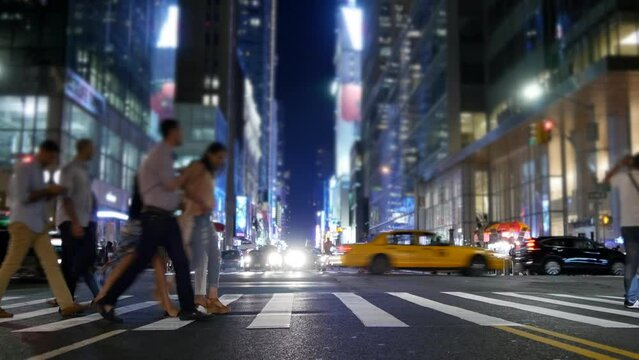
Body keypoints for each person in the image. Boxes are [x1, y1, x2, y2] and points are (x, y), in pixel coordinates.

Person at [96, 119, 202, 322]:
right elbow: (171, 185)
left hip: (165, 218)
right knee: (140, 263)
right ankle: (107, 300)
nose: (182, 135)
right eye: (180, 131)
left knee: (179, 261)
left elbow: (168, 189)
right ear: (172, 132)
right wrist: (189, 172)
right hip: (155, 218)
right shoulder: (161, 154)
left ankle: (188, 307)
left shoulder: (164, 155)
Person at [0, 140, 87, 318]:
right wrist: (49, 190)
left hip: (38, 226)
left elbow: (38, 198)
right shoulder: (24, 168)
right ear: (45, 152)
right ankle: (67, 303)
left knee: (52, 265)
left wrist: (52, 192)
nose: (52, 161)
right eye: (52, 157)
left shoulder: (39, 171)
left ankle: (67, 304)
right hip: (23, 224)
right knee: (11, 264)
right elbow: (24, 197)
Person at [96, 177, 178, 317]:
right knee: (156, 261)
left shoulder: (145, 177)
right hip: (143, 225)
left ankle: (102, 297)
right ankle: (166, 302)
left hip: (134, 223)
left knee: (128, 261)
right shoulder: (152, 179)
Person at [180, 142, 229, 314]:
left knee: (214, 256)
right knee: (200, 259)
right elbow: (184, 186)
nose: (221, 161)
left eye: (223, 158)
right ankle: (200, 296)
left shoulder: (209, 172)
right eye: (219, 157)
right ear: (210, 154)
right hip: (196, 216)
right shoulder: (197, 167)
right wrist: (200, 201)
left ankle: (212, 297)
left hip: (205, 218)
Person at [55, 139, 100, 303]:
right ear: (84, 148)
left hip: (84, 221)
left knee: (84, 257)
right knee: (73, 260)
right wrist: (74, 222)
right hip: (70, 220)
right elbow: (66, 197)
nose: (94, 151)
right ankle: (66, 301)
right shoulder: (70, 169)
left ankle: (66, 299)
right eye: (92, 148)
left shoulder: (84, 171)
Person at [605, 153, 639, 309]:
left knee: (631, 262)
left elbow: (605, 182)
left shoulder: (623, 178)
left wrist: (619, 164)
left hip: (629, 225)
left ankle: (631, 299)